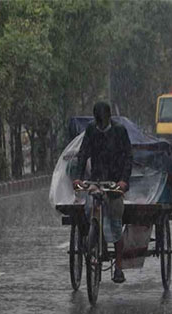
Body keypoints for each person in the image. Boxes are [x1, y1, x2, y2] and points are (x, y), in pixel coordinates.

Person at [73, 101, 133, 284]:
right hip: (96, 179)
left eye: (102, 123)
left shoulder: (120, 131)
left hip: (114, 182)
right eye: (97, 123)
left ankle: (119, 267)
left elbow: (128, 157)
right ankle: (93, 240)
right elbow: (83, 154)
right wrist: (78, 178)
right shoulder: (91, 130)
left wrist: (123, 181)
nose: (100, 126)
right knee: (89, 207)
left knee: (115, 219)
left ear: (108, 118)